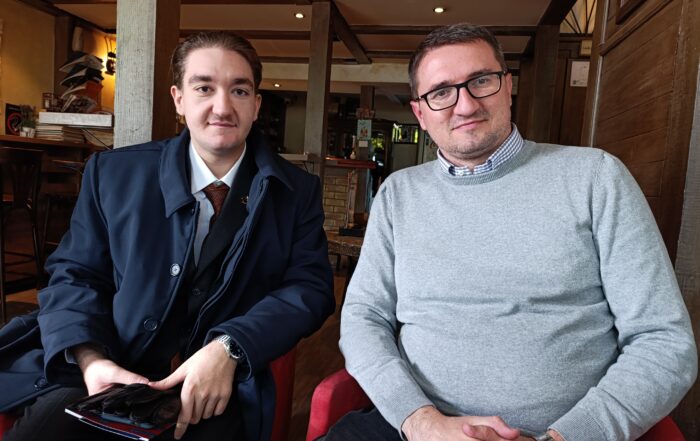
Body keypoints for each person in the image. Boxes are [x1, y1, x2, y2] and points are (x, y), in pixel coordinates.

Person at [329, 23, 697, 441]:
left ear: (507, 87)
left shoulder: (595, 177)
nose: (465, 105)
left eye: (480, 81)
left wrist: (564, 438)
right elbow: (364, 317)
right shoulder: (399, 194)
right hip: (419, 427)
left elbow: (663, 341)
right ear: (420, 114)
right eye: (441, 92)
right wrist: (421, 422)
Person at [0, 31, 334, 441]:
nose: (222, 107)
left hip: (217, 383)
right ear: (179, 99)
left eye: (239, 90)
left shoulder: (296, 191)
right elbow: (75, 274)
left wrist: (230, 347)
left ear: (256, 105)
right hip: (108, 364)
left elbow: (310, 287)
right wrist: (90, 359)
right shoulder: (114, 174)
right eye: (204, 88)